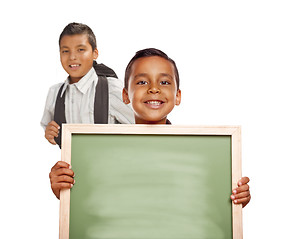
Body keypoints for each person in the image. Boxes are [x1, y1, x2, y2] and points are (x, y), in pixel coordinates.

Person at [49, 48, 250, 207]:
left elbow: (207, 201)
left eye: (164, 82)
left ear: (177, 96)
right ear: (125, 95)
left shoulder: (201, 154)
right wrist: (64, 190)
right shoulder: (101, 151)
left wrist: (236, 197)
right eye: (142, 81)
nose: (154, 89)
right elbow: (91, 201)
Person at [40, 22, 134, 147]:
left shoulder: (111, 88)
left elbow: (139, 127)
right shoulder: (55, 93)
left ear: (95, 53)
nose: (72, 57)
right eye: (65, 51)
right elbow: (49, 128)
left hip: (111, 164)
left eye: (81, 50)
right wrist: (50, 133)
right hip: (72, 166)